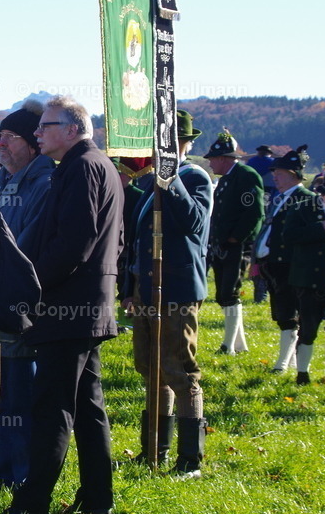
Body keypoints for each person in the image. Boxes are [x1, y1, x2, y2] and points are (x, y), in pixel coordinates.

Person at [7, 95, 122, 514]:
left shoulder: (84, 167)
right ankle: (97, 498)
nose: (37, 133)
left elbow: (75, 243)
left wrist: (32, 285)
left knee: (51, 409)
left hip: (68, 309)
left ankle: (31, 502)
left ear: (72, 130)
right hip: (81, 307)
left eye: (45, 126)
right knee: (87, 408)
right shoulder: (87, 166)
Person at [122, 110, 212, 478]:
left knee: (179, 369)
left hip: (176, 289)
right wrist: (129, 289)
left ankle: (190, 459)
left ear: (183, 144)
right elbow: (137, 241)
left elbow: (193, 223)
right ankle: (153, 451)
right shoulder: (146, 186)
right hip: (147, 289)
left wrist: (170, 179)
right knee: (151, 368)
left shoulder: (196, 177)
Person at [0, 99, 54, 491]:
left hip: (22, 308)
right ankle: (6, 472)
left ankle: (23, 475)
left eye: (9, 138)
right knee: (1, 396)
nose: (0, 146)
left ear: (31, 143)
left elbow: (23, 252)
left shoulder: (43, 184)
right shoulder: (9, 180)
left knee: (18, 397)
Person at [204, 129, 264, 354]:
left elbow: (254, 213)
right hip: (223, 244)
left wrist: (235, 238)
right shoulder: (227, 180)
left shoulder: (246, 176)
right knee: (224, 293)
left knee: (230, 292)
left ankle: (228, 345)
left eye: (212, 160)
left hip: (236, 245)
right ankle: (239, 344)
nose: (210, 164)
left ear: (223, 158)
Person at [255, 146, 312, 374]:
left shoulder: (306, 199)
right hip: (274, 266)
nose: (275, 176)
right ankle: (291, 362)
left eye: (280, 172)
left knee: (289, 317)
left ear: (293, 174)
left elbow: (310, 234)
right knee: (282, 315)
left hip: (291, 266)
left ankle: (282, 365)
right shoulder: (281, 198)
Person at [281, 168, 325, 384]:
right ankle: (302, 373)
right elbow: (289, 236)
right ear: (323, 195)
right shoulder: (302, 209)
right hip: (309, 279)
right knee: (308, 327)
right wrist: (320, 228)